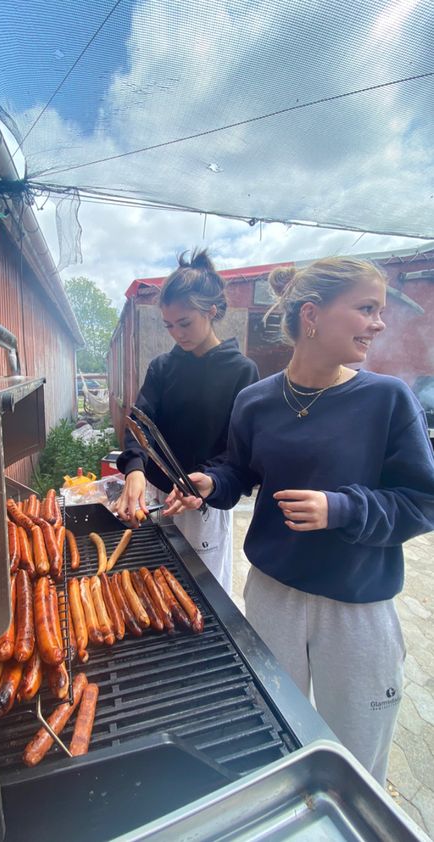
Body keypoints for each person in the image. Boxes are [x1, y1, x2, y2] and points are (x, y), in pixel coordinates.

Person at [165, 256, 434, 784]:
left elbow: (422, 501)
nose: (378, 323)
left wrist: (342, 508)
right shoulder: (256, 400)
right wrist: (210, 485)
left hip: (356, 609)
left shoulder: (387, 399)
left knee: (355, 761)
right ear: (312, 314)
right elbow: (238, 471)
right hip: (273, 598)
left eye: (378, 311)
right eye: (366, 309)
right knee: (275, 739)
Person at [116, 249, 259, 594]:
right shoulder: (163, 367)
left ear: (211, 311)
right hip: (156, 494)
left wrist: (207, 481)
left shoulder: (241, 371)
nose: (177, 334)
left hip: (203, 501)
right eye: (169, 325)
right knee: (153, 585)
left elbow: (239, 450)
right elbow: (140, 422)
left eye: (185, 323)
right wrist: (135, 468)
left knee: (202, 595)